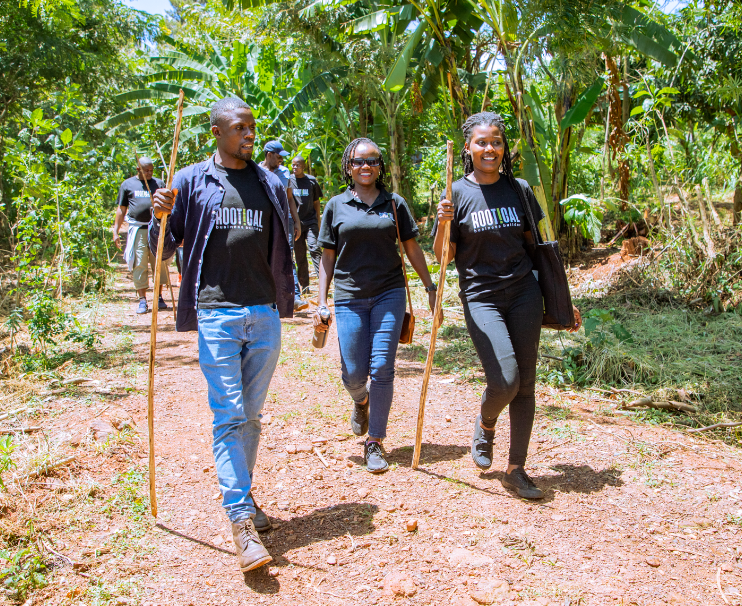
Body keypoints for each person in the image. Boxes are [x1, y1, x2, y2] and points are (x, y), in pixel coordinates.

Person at [149, 97, 294, 572]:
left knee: (250, 418)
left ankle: (245, 498)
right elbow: (164, 249)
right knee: (229, 415)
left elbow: (285, 242)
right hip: (217, 316)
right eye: (240, 128)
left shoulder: (269, 181)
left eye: (253, 126)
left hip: (264, 315)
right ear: (216, 132)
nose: (249, 134)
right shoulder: (191, 180)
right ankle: (240, 521)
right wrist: (159, 216)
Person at [433, 112, 582, 499]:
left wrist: (561, 301)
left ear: (503, 147)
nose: (489, 149)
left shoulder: (519, 190)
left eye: (496, 142)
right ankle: (485, 423)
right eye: (481, 142)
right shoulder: (457, 193)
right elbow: (444, 258)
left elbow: (539, 250)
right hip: (481, 298)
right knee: (505, 380)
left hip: (523, 295)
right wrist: (442, 225)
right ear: (468, 147)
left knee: (527, 385)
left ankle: (516, 468)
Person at [313, 138, 438, 473]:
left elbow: (411, 247)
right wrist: (322, 300)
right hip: (350, 296)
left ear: (380, 165)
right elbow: (327, 256)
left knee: (382, 366)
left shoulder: (394, 203)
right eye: (358, 162)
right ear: (348, 166)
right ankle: (361, 400)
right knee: (354, 374)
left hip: (389, 293)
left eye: (372, 161)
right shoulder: (335, 205)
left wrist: (430, 286)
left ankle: (375, 442)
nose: (365, 167)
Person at [112, 157, 169, 314]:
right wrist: (115, 230)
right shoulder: (128, 185)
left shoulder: (159, 184)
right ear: (138, 170)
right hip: (139, 229)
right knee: (140, 262)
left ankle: (158, 297)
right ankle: (142, 300)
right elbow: (121, 209)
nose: (149, 173)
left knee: (159, 262)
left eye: (151, 170)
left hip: (157, 228)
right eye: (146, 171)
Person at [260, 141, 308, 311]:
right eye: (278, 157)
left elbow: (289, 199)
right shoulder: (256, 172)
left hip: (284, 219)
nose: (281, 160)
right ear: (268, 154)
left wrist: (296, 221)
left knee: (287, 256)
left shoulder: (285, 173)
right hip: (264, 220)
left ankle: (294, 297)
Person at [289, 155, 323, 291]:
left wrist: (318, 221)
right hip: (296, 222)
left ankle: (323, 281)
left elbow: (316, 202)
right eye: (293, 165)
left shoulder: (311, 181)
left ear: (303, 166)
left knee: (314, 248)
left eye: (297, 165)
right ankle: (305, 286)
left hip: (310, 221)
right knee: (300, 254)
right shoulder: (289, 181)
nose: (294, 167)